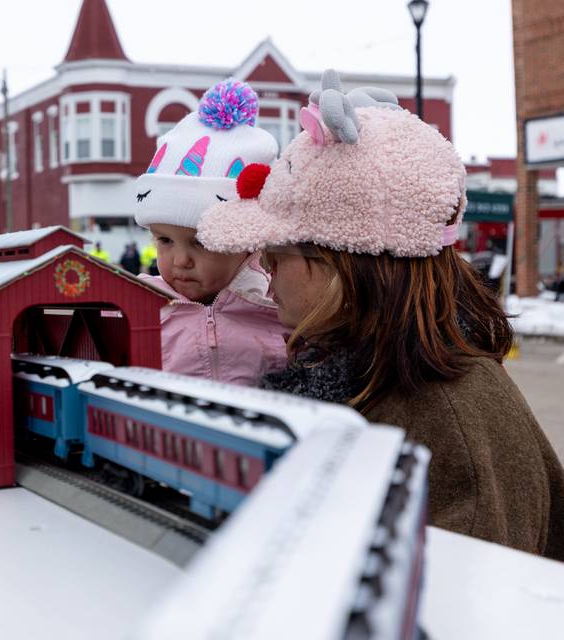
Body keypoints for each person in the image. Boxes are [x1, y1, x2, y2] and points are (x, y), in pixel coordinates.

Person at [196, 70, 564, 560]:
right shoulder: (371, 376)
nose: (265, 269)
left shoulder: (448, 417)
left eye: (277, 253)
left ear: (344, 268)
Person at [133, 78, 287, 386]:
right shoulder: (141, 310)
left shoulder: (280, 307)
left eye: (199, 242)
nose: (179, 260)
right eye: (164, 240)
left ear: (245, 241)